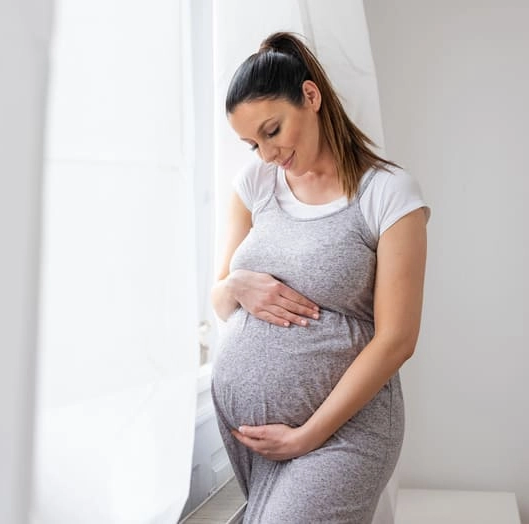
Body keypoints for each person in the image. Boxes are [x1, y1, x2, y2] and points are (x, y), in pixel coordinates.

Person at [210, 31, 429, 523]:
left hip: (342, 433)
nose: (266, 153)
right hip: (256, 441)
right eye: (251, 143)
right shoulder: (254, 185)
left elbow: (398, 340)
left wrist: (306, 435)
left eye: (272, 131)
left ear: (311, 97)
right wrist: (238, 286)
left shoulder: (389, 195)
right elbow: (220, 299)